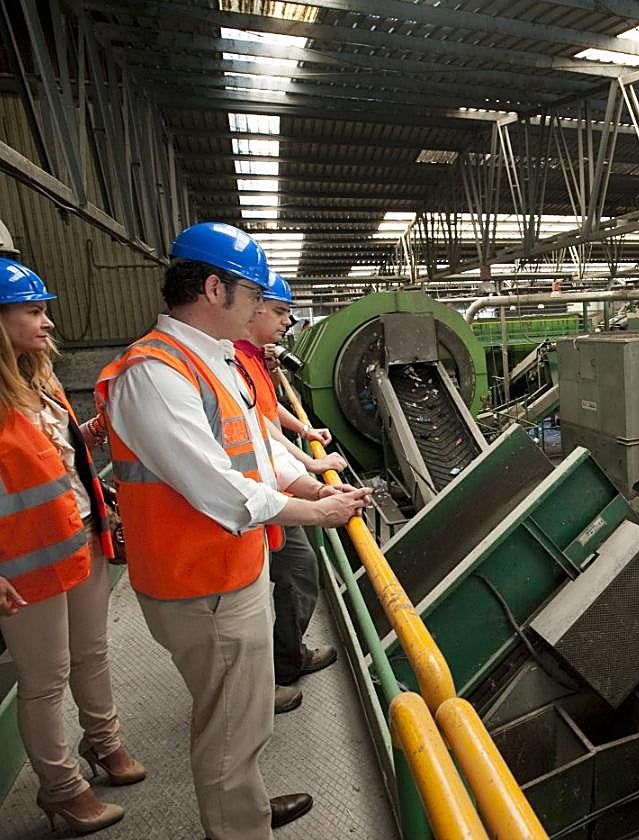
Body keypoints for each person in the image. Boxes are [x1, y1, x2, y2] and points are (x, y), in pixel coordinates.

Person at [95, 222, 371, 840]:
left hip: (231, 570)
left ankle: (241, 804)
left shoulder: (213, 362)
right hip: (200, 583)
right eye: (253, 294)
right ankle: (238, 826)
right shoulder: (155, 374)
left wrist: (309, 487)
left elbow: (258, 453)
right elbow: (219, 488)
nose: (258, 309)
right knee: (229, 729)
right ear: (215, 289)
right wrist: (319, 513)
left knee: (242, 719)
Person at [0, 258, 144, 835]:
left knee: (92, 652)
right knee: (45, 678)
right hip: (24, 561)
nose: (48, 323)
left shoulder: (41, 379)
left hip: (80, 537)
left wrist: (85, 436)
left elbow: (48, 460)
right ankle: (60, 789)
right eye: (33, 312)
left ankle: (104, 745)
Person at [234, 271, 344, 713]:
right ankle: (279, 670)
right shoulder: (230, 360)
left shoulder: (244, 358)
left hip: (264, 494)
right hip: (251, 504)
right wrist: (312, 478)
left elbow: (262, 415)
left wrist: (303, 438)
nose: (286, 322)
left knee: (286, 577)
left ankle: (280, 664)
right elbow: (255, 429)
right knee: (294, 571)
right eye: (279, 311)